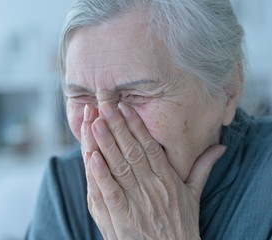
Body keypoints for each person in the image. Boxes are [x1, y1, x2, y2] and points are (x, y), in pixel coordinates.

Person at [26, 0, 272, 239]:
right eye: (81, 96)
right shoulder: (65, 189)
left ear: (227, 90)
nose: (102, 127)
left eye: (135, 95)